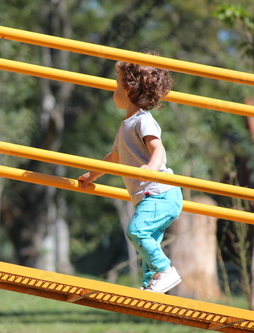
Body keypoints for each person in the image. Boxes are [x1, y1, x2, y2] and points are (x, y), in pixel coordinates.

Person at [78, 50, 183, 293]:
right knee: (149, 241)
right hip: (150, 197)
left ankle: (166, 271)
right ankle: (152, 283)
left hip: (160, 193)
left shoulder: (142, 120)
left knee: (136, 232)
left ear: (128, 89)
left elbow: (158, 148)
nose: (113, 89)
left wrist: (151, 169)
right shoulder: (126, 125)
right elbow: (114, 157)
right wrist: (92, 175)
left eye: (116, 84)